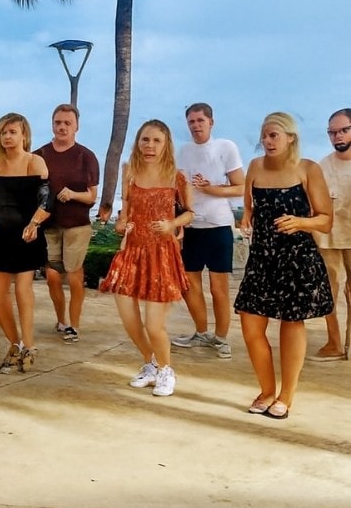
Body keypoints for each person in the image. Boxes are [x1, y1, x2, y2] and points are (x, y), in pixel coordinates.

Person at [234, 112, 333, 419]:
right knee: (250, 325)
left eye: (274, 135)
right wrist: (246, 220)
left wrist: (301, 222)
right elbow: (249, 205)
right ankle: (266, 389)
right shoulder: (255, 167)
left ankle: (285, 396)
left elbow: (326, 220)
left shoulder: (308, 169)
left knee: (291, 325)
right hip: (262, 258)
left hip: (297, 259)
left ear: (291, 137)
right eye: (264, 135)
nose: (267, 140)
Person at [100, 120, 193, 397]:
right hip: (132, 253)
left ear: (166, 145)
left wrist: (172, 224)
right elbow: (126, 209)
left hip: (161, 255)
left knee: (154, 325)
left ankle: (166, 369)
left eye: (156, 141)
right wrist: (122, 223)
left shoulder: (177, 175)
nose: (150, 146)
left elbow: (189, 212)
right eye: (145, 140)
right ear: (138, 143)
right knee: (129, 319)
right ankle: (150, 364)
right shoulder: (129, 171)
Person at [171, 103, 245, 359]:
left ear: (211, 122)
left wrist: (213, 188)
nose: (196, 125)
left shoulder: (226, 147)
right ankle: (201, 333)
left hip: (219, 225)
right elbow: (179, 191)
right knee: (189, 285)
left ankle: (222, 338)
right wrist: (177, 221)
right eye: (191, 121)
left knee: (218, 288)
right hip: (192, 226)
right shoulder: (183, 152)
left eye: (200, 120)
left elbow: (241, 187)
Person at [0, 113, 51, 373]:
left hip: (27, 234)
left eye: (12, 131)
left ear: (24, 135)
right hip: (2, 237)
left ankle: (29, 346)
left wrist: (34, 224)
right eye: (3, 132)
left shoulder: (35, 162)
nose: (7, 137)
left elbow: (46, 201)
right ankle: (14, 343)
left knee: (22, 290)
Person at [33, 104, 99, 342]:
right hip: (48, 225)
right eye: (58, 122)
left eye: (67, 123)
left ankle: (75, 324)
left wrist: (73, 194)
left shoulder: (86, 156)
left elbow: (92, 196)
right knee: (52, 276)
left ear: (76, 127)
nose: (62, 127)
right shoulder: (39, 155)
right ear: (52, 124)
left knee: (73, 275)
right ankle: (61, 320)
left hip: (77, 225)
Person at [311, 108, 351, 361]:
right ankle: (334, 343)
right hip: (327, 239)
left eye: (343, 130)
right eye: (332, 132)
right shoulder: (322, 166)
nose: (337, 137)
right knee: (329, 292)